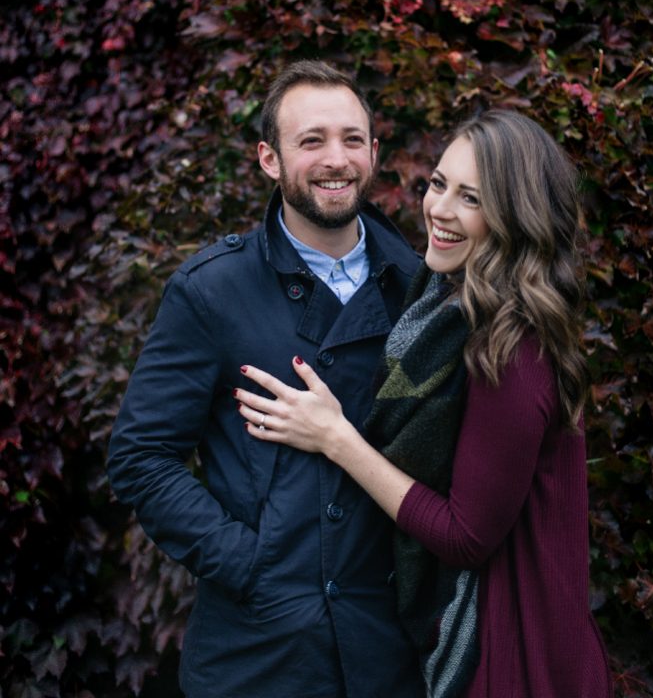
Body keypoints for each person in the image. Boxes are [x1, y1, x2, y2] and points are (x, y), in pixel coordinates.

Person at [235, 110, 614, 698]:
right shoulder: (451, 312)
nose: (439, 210)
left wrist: (337, 440)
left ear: (516, 218)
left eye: (472, 199)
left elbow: (466, 535)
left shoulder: (512, 350)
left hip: (515, 658)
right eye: (439, 184)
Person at [107, 60, 425, 698]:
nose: (336, 159)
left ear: (374, 153)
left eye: (352, 139)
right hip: (258, 653)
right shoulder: (212, 291)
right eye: (311, 141)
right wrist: (250, 566)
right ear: (269, 159)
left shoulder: (419, 285)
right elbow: (141, 457)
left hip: (388, 649)